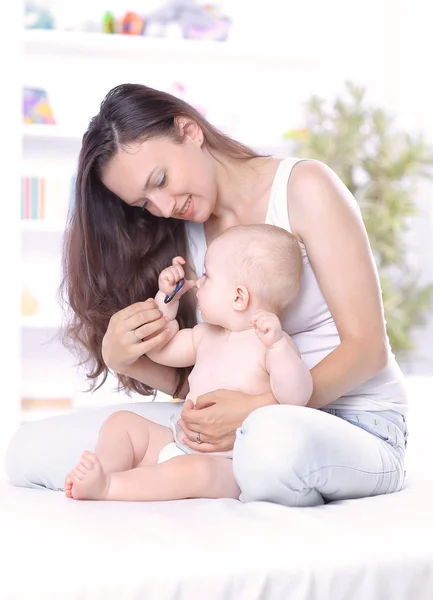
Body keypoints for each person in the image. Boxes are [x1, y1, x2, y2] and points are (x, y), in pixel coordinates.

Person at [5, 83, 408, 507]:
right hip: (242, 432)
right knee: (29, 451)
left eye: (160, 180)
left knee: (269, 446)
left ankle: (225, 469)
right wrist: (124, 358)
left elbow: (368, 350)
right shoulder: (189, 235)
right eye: (144, 203)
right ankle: (182, 475)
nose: (161, 207)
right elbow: (203, 382)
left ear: (190, 131)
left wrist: (257, 409)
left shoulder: (304, 188)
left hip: (355, 421)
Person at [64, 224, 312, 501]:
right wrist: (166, 300)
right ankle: (105, 472)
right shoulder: (204, 336)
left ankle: (109, 488)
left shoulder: (272, 346)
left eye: (207, 275)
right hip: (177, 440)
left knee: (193, 470)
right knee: (120, 422)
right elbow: (160, 350)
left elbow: (296, 397)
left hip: (226, 465)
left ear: (238, 297)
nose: (197, 282)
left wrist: (278, 346)